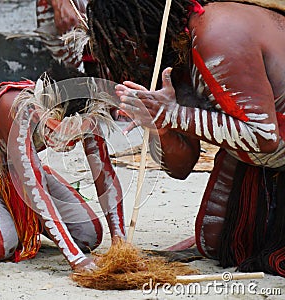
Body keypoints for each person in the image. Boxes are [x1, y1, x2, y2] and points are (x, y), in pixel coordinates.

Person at [87, 0, 285, 276]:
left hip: (272, 146)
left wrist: (174, 116)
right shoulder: (174, 52)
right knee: (214, 240)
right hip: (268, 158)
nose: (127, 51)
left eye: (124, 39)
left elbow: (265, 137)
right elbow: (181, 167)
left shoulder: (216, 32)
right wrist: (160, 128)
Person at [0, 71, 125, 271]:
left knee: (89, 236)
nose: (70, 143)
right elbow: (35, 190)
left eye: (77, 135)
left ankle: (14, 201)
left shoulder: (87, 113)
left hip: (18, 164)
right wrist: (75, 259)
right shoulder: (19, 109)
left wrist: (121, 245)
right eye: (58, 131)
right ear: (44, 111)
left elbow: (104, 175)